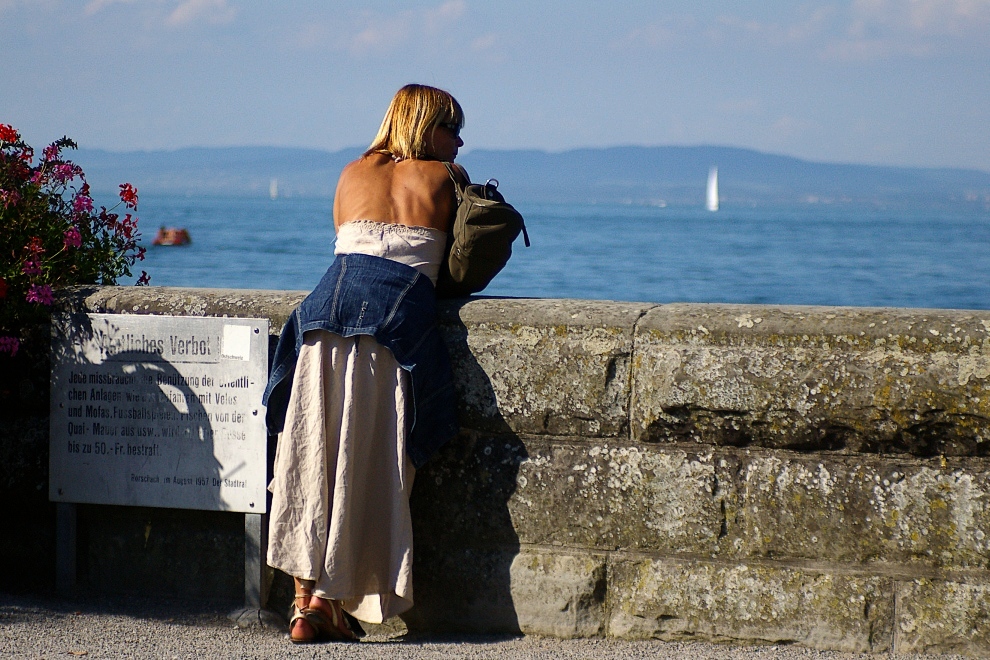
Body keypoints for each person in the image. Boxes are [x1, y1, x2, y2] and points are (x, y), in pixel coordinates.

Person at [262, 84, 466, 643]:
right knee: (367, 460)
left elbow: (348, 246)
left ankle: (305, 602)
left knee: (311, 453)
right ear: (426, 126)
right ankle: (328, 600)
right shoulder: (448, 180)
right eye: (452, 128)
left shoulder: (351, 172)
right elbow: (455, 266)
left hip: (322, 317)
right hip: (389, 326)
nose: (460, 141)